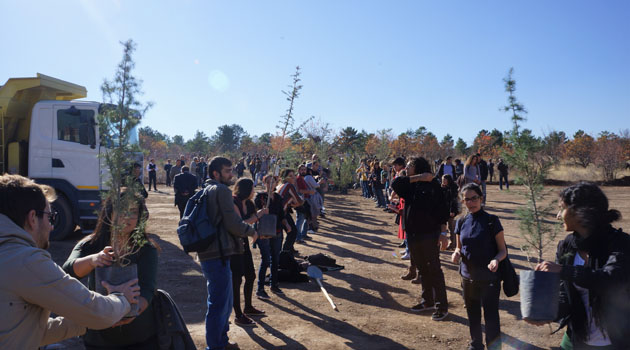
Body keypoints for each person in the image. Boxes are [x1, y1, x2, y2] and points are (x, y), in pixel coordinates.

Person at [0, 174, 138, 349]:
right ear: (32, 218)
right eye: (51, 217)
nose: (51, 226)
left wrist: (84, 321)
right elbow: (97, 312)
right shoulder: (25, 260)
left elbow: (27, 331)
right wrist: (122, 299)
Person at [527, 182, 630, 350]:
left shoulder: (620, 243)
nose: (558, 216)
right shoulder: (567, 246)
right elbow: (565, 295)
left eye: (562, 208)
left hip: (616, 340)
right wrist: (547, 314)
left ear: (581, 213)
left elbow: (610, 279)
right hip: (577, 338)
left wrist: (563, 270)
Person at [62, 191, 160, 349]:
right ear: (109, 213)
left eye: (133, 212)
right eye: (121, 211)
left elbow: (147, 289)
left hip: (139, 337)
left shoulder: (146, 249)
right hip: (97, 336)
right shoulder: (90, 244)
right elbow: (68, 272)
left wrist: (130, 314)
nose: (127, 217)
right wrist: (93, 260)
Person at [197, 156, 258, 350]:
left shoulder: (206, 189)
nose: (232, 174)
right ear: (216, 173)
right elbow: (233, 223)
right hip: (218, 254)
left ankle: (221, 342)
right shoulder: (221, 190)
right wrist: (252, 232)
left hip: (212, 253)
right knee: (218, 304)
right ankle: (215, 346)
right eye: (227, 171)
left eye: (231, 170)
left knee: (223, 302)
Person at [391, 157, 450, 321]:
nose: (407, 168)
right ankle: (427, 301)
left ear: (418, 167)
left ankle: (441, 306)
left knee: (434, 270)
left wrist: (444, 234)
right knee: (422, 269)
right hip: (413, 234)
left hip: (429, 234)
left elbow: (442, 211)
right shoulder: (410, 184)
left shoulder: (433, 185)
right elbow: (395, 184)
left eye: (410, 166)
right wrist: (418, 177)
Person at [451, 183, 507, 350]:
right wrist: (456, 253)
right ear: (462, 201)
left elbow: (503, 250)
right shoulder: (461, 222)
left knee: (491, 317)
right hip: (468, 278)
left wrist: (496, 260)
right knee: (473, 315)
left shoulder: (492, 221)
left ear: (481, 199)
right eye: (467, 199)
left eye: (474, 198)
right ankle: (475, 345)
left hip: (489, 278)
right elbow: (459, 247)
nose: (471, 202)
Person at [230, 178, 267, 327]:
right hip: (233, 245)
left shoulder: (250, 204)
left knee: (250, 275)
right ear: (245, 189)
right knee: (236, 280)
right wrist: (259, 215)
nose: (254, 191)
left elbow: (253, 223)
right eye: (252, 188)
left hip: (243, 243)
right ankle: (238, 314)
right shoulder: (233, 202)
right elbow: (240, 224)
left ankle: (248, 307)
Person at [254, 175, 287, 299]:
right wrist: (262, 210)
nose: (270, 184)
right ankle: (260, 289)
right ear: (264, 183)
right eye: (268, 182)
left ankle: (274, 284)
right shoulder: (260, 197)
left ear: (276, 184)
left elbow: (281, 214)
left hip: (277, 231)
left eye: (273, 182)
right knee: (266, 260)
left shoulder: (278, 197)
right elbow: (255, 213)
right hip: (264, 233)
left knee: (276, 259)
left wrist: (287, 225)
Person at [277, 169, 304, 254]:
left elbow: (290, 199)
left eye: (294, 175)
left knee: (291, 231)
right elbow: (299, 201)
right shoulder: (289, 186)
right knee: (292, 232)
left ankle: (290, 250)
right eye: (290, 176)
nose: (294, 178)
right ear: (285, 178)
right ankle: (285, 252)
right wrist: (301, 201)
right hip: (281, 213)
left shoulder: (281, 185)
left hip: (281, 212)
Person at [441, 174, 460, 250]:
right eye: (442, 180)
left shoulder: (453, 188)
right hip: (444, 210)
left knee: (451, 228)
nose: (443, 181)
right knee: (446, 227)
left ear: (448, 180)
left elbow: (453, 201)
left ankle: (453, 244)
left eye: (444, 180)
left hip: (451, 211)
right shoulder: (443, 187)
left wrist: (452, 211)